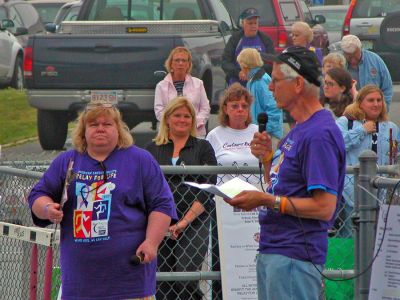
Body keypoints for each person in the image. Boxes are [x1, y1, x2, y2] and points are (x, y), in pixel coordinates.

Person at [227, 46, 346, 300]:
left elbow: (324, 207)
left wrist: (267, 201)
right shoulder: (299, 130)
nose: (270, 88)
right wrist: (268, 159)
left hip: (294, 256)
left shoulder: (319, 134)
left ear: (299, 84)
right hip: (276, 251)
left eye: (276, 81)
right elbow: (279, 186)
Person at [28, 101, 177, 300]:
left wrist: (151, 243)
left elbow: (162, 204)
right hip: (79, 283)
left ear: (119, 129)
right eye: (93, 124)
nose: (100, 128)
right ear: (83, 131)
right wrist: (47, 209)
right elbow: (37, 196)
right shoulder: (67, 161)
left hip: (130, 282)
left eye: (107, 124)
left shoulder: (140, 160)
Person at [146, 97, 217, 300]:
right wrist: (161, 221)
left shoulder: (203, 148)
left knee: (186, 278)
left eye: (187, 116)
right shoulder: (151, 149)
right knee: (162, 282)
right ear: (167, 119)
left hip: (194, 220)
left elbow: (208, 188)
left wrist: (184, 222)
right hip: (159, 221)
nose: (182, 119)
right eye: (177, 115)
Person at [336, 85, 400, 237]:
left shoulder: (390, 127)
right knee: (353, 238)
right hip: (352, 194)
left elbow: (396, 155)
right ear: (360, 103)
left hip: (383, 195)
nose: (376, 104)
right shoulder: (346, 122)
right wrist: (362, 130)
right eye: (370, 100)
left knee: (378, 239)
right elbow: (335, 145)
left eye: (379, 100)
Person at [206, 82, 261, 183]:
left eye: (244, 106)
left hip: (256, 194)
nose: (240, 109)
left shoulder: (258, 132)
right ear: (225, 109)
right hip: (224, 195)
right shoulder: (214, 135)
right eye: (235, 106)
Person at [154, 46, 210, 138]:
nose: (180, 63)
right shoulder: (161, 86)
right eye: (177, 60)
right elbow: (159, 111)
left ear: (188, 64)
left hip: (195, 133)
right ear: (171, 63)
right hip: (168, 134)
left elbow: (205, 108)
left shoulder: (198, 84)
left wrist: (194, 123)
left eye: (184, 60)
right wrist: (173, 125)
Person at [236, 48, 283, 144]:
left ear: (245, 66)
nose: (240, 69)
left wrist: (263, 131)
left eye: (240, 65)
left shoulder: (260, 81)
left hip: (268, 135)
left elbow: (274, 108)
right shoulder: (253, 80)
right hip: (260, 132)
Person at [221, 7, 275, 86]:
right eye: (250, 23)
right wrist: (238, 73)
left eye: (255, 23)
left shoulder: (265, 39)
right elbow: (225, 63)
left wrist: (256, 72)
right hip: (238, 83)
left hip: (259, 82)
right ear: (243, 23)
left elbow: (272, 63)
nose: (253, 26)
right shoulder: (235, 39)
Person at [340, 34, 393, 110]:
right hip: (347, 111)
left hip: (373, 111)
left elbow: (387, 87)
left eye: (354, 54)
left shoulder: (375, 60)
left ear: (360, 49)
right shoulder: (339, 64)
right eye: (348, 55)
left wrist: (383, 109)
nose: (352, 59)